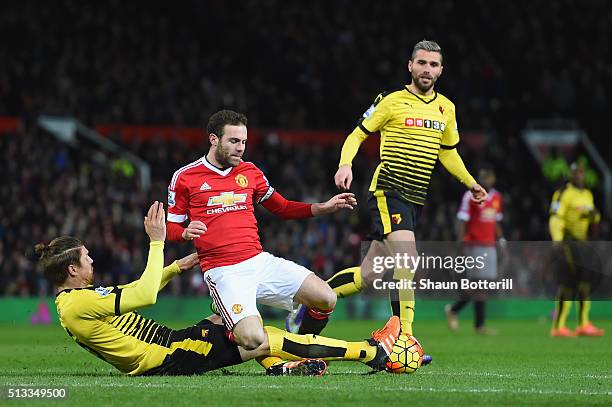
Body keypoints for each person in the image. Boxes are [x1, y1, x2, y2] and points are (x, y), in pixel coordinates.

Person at [36, 201, 400, 376]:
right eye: (86, 258)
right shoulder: (75, 306)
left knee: (228, 315)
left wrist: (176, 267)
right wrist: (158, 242)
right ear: (72, 269)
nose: (92, 261)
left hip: (171, 341)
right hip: (167, 358)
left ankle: (277, 367)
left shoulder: (77, 300)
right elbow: (144, 295)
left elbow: (135, 287)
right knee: (260, 335)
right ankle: (369, 353)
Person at [288, 40, 487, 345]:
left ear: (441, 70)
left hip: (415, 197)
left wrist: (470, 182)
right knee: (408, 259)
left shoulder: (447, 108)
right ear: (410, 65)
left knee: (367, 275)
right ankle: (405, 338)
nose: (427, 69)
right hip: (388, 189)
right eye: (421, 63)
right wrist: (345, 165)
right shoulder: (391, 100)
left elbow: (448, 152)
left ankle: (309, 300)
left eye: (433, 65)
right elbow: (357, 135)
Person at [165, 110, 401, 365]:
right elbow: (170, 228)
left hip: (259, 261)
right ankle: (231, 322)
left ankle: (297, 343)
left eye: (244, 142)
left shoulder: (250, 172)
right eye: (234, 141)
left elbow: (283, 207)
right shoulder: (185, 177)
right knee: (252, 338)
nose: (241, 148)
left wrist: (323, 207)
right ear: (214, 139)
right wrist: (186, 232)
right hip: (223, 271)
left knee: (326, 298)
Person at [445, 167, 504, 334]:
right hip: (474, 245)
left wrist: (501, 239)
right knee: (479, 285)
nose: (485, 180)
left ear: (493, 178)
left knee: (480, 286)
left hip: (490, 245)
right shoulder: (470, 196)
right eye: (483, 177)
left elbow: (496, 221)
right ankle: (478, 325)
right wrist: (460, 244)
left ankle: (455, 310)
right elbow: (463, 221)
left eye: (488, 176)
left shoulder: (497, 197)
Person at [549, 162, 604, 337]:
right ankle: (559, 326)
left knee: (585, 283)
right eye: (575, 173)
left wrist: (594, 215)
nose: (578, 175)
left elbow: (595, 217)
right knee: (568, 283)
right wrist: (557, 240)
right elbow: (556, 218)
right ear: (571, 175)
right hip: (567, 242)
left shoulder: (587, 194)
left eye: (581, 172)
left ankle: (583, 324)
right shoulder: (563, 193)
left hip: (584, 244)